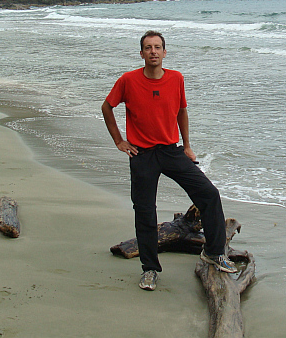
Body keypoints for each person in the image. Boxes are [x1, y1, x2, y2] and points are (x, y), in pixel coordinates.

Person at [102, 30, 238, 291]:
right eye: (148, 47)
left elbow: (181, 111)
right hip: (142, 154)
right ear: (141, 53)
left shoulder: (176, 79)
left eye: (157, 47)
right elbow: (107, 106)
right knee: (144, 211)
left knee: (209, 194)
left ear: (165, 52)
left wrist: (187, 146)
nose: (153, 51)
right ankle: (150, 269)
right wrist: (119, 141)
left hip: (171, 151)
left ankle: (214, 252)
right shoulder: (128, 80)